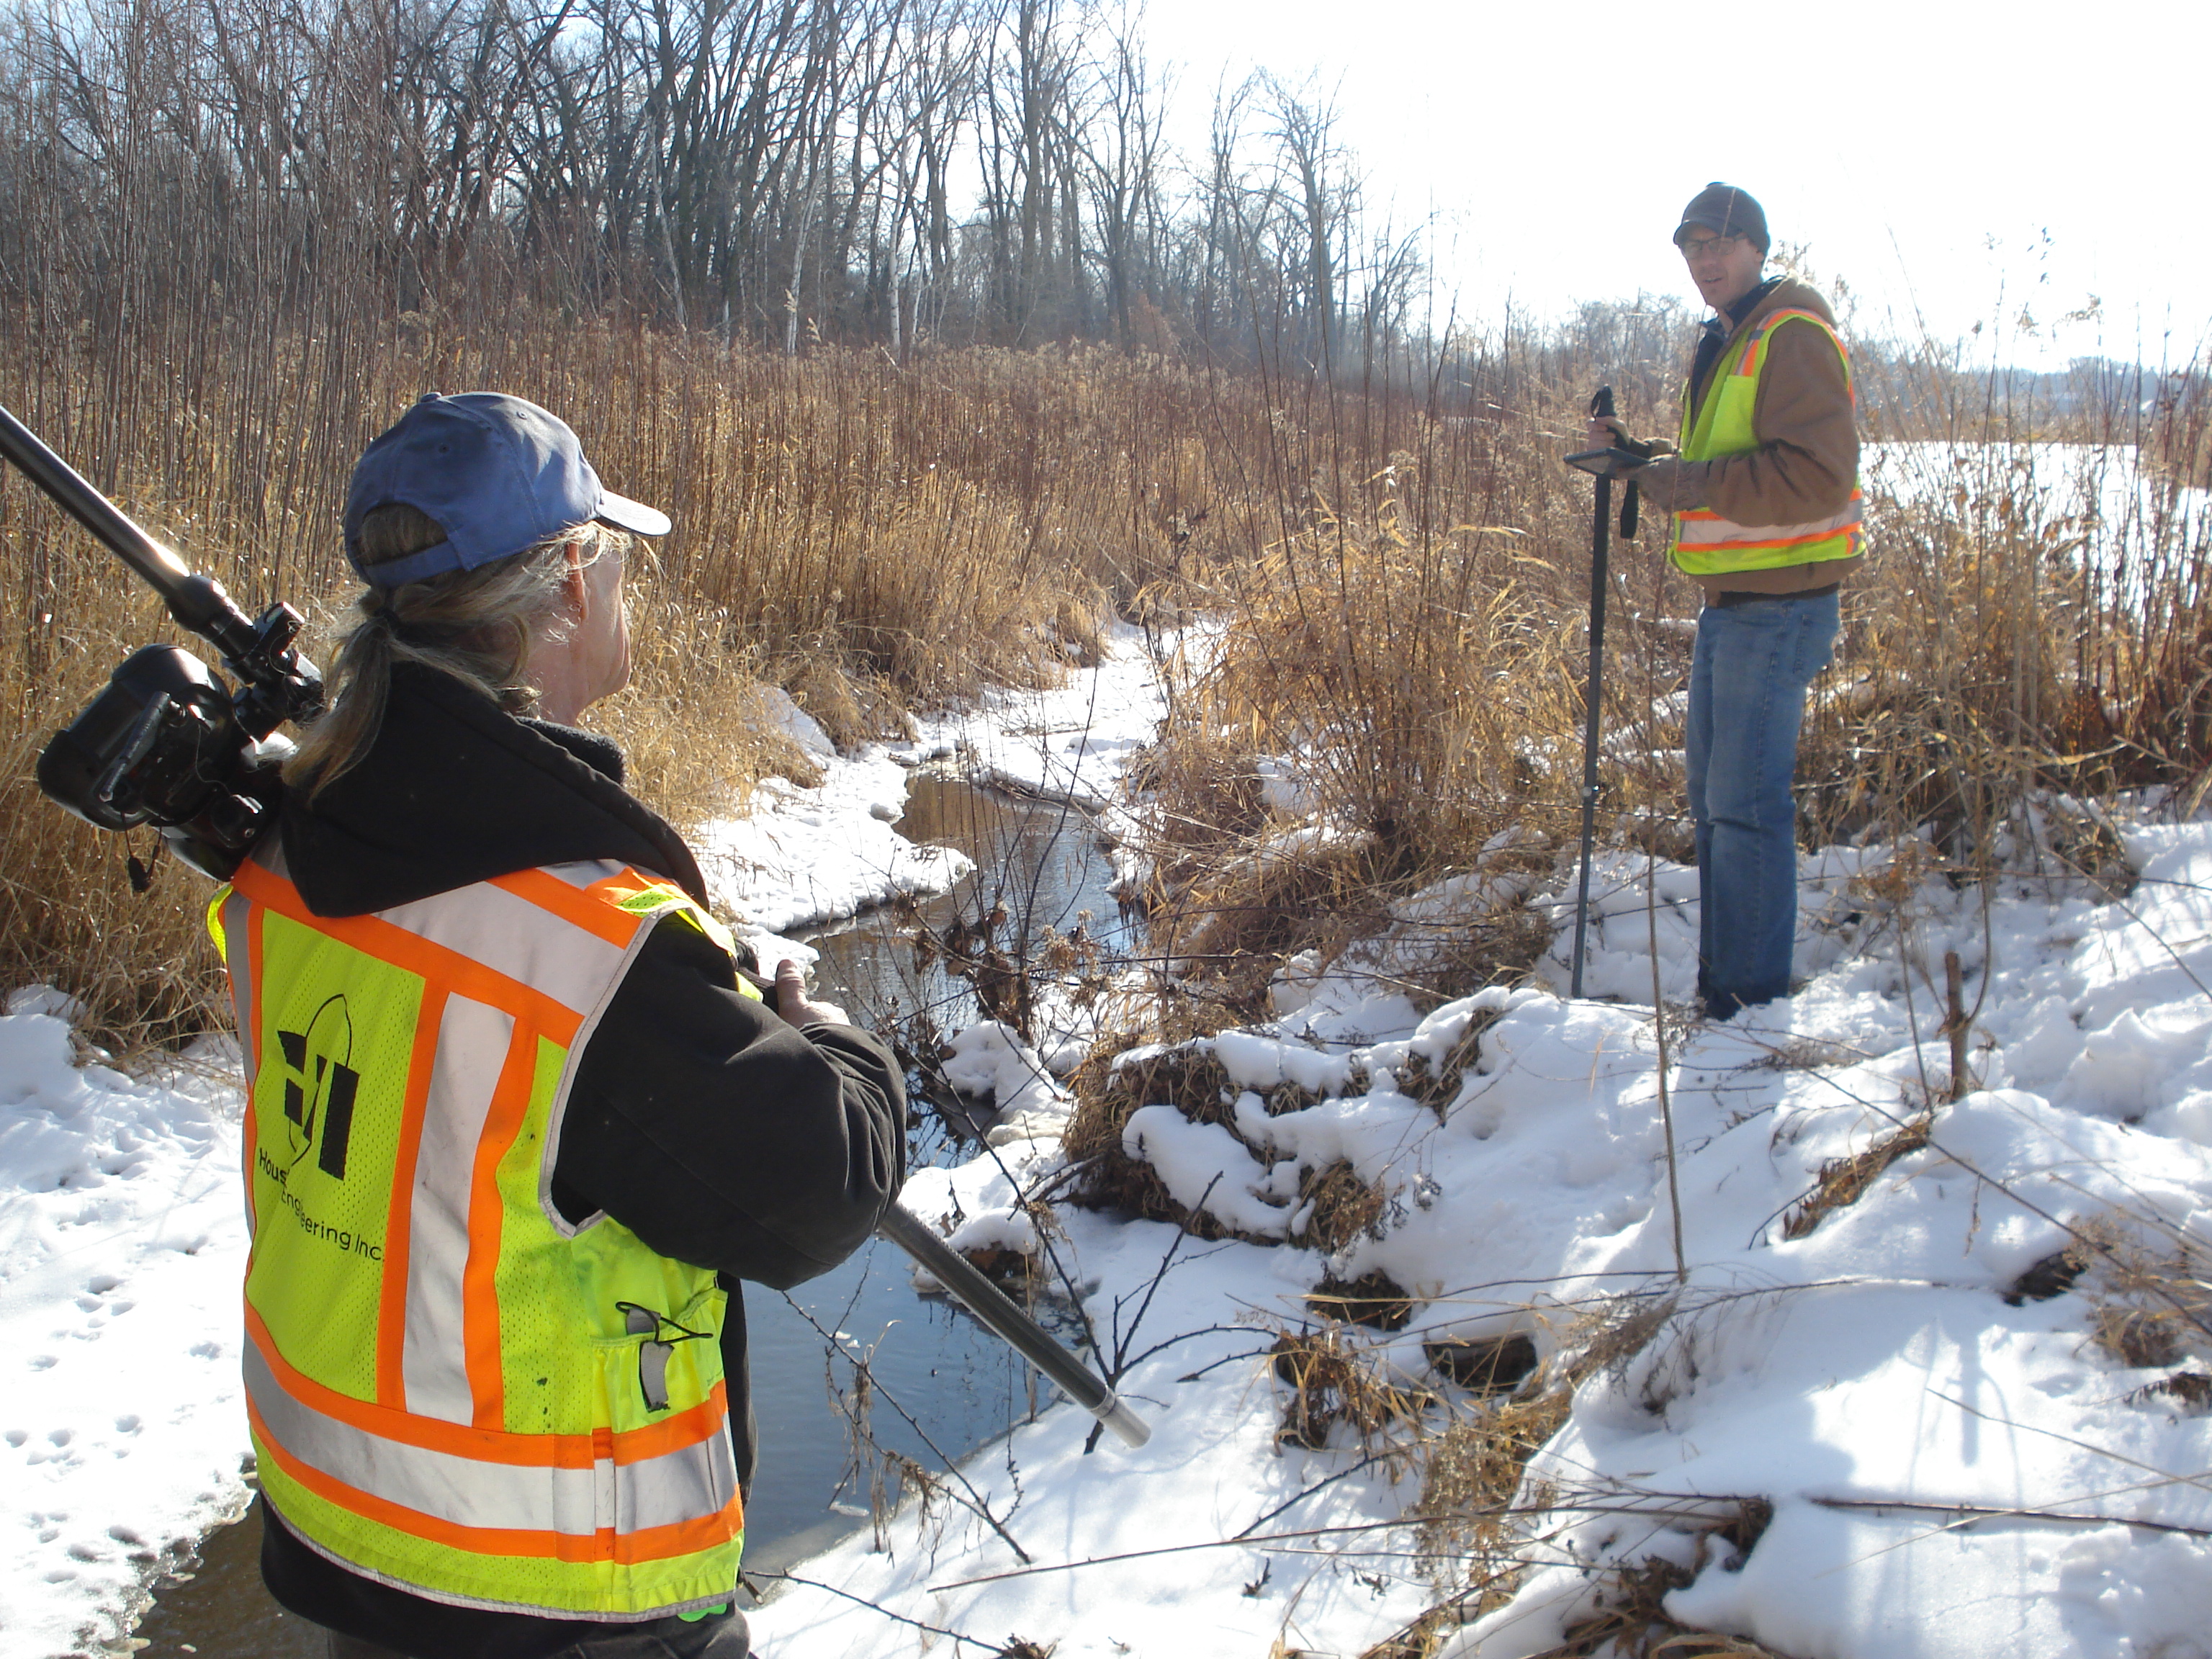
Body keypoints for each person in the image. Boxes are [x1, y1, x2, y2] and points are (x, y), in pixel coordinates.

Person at [207, 392, 906, 1658]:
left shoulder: (303, 847)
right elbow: (817, 1187)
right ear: (570, 588)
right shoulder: (579, 949)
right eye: (617, 562)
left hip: (353, 1543)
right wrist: (837, 1040)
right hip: (563, 1594)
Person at [1588, 182, 1862, 1021]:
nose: (1704, 262)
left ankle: (1747, 1006)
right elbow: (1729, 460)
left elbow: (1819, 476)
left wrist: (1692, 483)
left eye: (1719, 244)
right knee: (1714, 804)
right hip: (1735, 607)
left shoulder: (1791, 333)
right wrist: (1646, 462)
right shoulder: (1734, 337)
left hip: (1779, 608)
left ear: (1756, 246)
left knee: (1742, 809)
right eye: (1691, 248)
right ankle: (1727, 992)